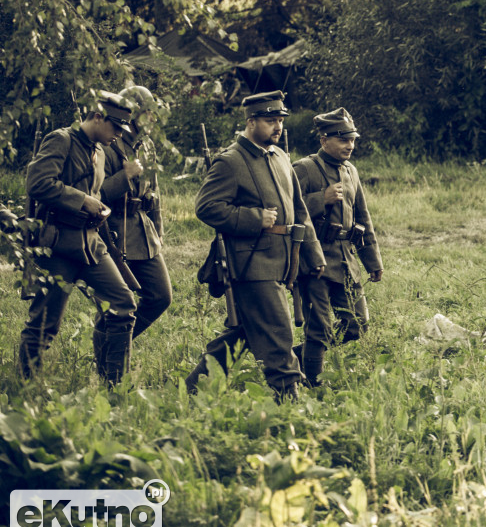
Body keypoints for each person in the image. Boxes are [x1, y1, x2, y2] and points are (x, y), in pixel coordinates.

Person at [184, 91, 326, 401]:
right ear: (251, 122)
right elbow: (207, 207)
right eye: (270, 121)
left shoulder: (280, 157)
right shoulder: (230, 161)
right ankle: (289, 398)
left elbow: (299, 209)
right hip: (251, 264)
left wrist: (313, 254)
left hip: (283, 260)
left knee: (243, 334)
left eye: (280, 121)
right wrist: (253, 218)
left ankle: (194, 388)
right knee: (279, 333)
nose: (278, 127)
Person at [17, 92, 138, 384]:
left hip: (91, 243)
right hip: (58, 244)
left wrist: (97, 208)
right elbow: (37, 183)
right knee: (45, 324)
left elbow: (97, 193)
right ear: (98, 117)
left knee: (124, 306)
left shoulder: (98, 149)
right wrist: (82, 199)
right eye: (116, 128)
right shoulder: (62, 140)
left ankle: (114, 384)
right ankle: (25, 385)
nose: (119, 135)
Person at [292, 107, 383, 386]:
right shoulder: (304, 168)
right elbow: (287, 209)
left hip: (346, 259)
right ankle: (313, 382)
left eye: (352, 140)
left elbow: (363, 218)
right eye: (343, 140)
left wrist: (373, 262)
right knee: (318, 326)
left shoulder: (351, 171)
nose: (350, 145)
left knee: (357, 325)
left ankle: (299, 357)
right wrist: (321, 198)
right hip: (314, 257)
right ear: (324, 140)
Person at [99, 85, 171, 340]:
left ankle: (111, 340)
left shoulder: (147, 145)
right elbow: (95, 195)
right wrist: (124, 176)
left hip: (144, 232)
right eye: (148, 113)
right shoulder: (107, 144)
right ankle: (110, 347)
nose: (153, 118)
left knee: (161, 296)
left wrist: (158, 230)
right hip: (114, 233)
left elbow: (155, 192)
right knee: (119, 305)